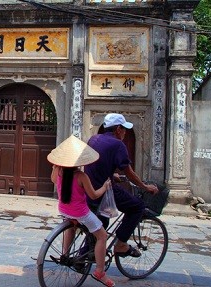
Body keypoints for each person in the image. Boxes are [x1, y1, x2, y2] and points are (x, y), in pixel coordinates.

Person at [84, 113, 159, 258]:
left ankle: (83, 257)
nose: (125, 132)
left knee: (100, 224)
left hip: (89, 189)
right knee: (137, 207)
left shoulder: (93, 139)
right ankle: (121, 244)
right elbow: (129, 173)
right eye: (124, 129)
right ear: (118, 129)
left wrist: (112, 175)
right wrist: (145, 186)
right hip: (105, 190)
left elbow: (97, 166)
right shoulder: (118, 145)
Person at [48, 135, 115, 287]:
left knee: (70, 227)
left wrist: (55, 166)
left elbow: (53, 181)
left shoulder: (58, 171)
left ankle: (65, 254)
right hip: (81, 213)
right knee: (102, 236)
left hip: (64, 210)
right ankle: (99, 271)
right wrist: (105, 187)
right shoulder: (81, 176)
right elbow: (94, 195)